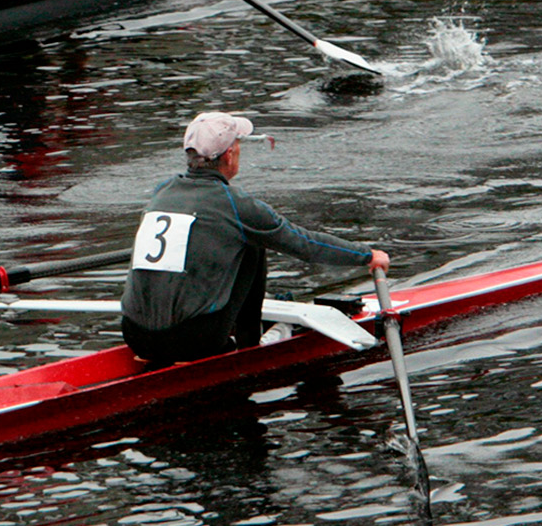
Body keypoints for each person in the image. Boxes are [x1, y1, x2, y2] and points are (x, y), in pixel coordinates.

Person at [120, 111, 391, 366]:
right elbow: (302, 243)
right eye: (238, 145)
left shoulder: (161, 192)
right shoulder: (236, 205)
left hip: (134, 336)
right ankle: (249, 346)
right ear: (229, 155)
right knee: (252, 243)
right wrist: (366, 255)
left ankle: (170, 335)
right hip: (195, 342)